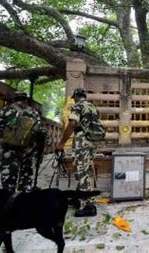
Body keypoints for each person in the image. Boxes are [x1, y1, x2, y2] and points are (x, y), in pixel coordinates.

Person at [56, 88, 105, 217]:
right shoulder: (92, 107)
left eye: (74, 97)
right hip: (92, 142)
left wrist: (61, 143)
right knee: (85, 169)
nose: (73, 99)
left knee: (82, 171)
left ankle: (88, 205)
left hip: (82, 142)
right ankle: (79, 198)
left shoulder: (78, 106)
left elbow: (72, 124)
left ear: (77, 96)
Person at [0, 92, 42, 193]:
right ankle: (23, 193)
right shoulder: (34, 112)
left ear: (14, 99)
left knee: (9, 173)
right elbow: (39, 131)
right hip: (28, 148)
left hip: (8, 147)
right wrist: (37, 149)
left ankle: (8, 195)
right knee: (26, 173)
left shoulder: (6, 110)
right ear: (26, 100)